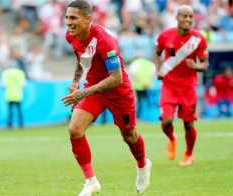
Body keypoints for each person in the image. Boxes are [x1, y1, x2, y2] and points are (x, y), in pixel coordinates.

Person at [62, 0, 151, 195]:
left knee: (129, 135)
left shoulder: (104, 40)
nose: (68, 22)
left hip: (118, 92)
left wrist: (83, 93)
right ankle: (91, 181)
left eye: (73, 18)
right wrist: (76, 82)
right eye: (67, 17)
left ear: (88, 19)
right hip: (93, 90)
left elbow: (116, 78)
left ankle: (143, 165)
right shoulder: (71, 36)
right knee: (75, 129)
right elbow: (81, 60)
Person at [155, 5, 209, 166]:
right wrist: (159, 69)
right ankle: (172, 139)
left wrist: (196, 66)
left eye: (190, 17)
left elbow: (205, 64)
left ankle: (188, 154)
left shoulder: (198, 39)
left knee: (188, 123)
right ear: (177, 17)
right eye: (184, 16)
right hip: (169, 86)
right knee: (166, 121)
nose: (188, 19)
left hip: (188, 88)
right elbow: (157, 52)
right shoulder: (165, 36)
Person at [1, 63, 26, 128]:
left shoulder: (5, 73)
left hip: (9, 94)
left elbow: (3, 85)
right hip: (18, 94)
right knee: (19, 110)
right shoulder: (20, 73)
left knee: (10, 111)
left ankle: (10, 125)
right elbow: (23, 85)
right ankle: (21, 124)